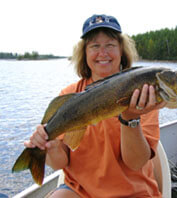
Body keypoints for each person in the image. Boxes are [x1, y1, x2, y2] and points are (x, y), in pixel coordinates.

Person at [24, 14, 166, 198]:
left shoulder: (142, 94)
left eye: (110, 45)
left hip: (133, 193)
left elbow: (136, 162)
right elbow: (60, 162)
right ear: (84, 53)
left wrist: (131, 119)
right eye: (95, 46)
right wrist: (50, 148)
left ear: (121, 50)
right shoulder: (69, 94)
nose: (103, 53)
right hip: (80, 191)